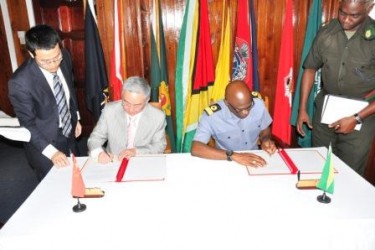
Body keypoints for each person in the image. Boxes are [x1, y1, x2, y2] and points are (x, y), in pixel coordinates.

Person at [296, 0, 375, 176]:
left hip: (362, 111)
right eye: (342, 13)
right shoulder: (327, 31)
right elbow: (310, 68)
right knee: (320, 163)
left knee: (349, 172)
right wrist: (302, 109)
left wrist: (356, 118)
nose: (346, 20)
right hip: (326, 108)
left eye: (354, 15)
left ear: (368, 9)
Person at [8, 24, 82, 181]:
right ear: (31, 54)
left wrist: (75, 116)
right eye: (46, 62)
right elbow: (27, 124)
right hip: (44, 142)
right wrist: (52, 152)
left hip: (69, 133)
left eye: (57, 58)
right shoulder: (20, 82)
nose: (54, 64)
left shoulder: (65, 56)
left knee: (76, 178)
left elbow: (70, 90)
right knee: (53, 188)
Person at [191, 80, 277, 167]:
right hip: (227, 160)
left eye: (249, 107)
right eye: (240, 109)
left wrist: (266, 140)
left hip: (255, 157)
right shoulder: (212, 116)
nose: (246, 112)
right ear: (227, 103)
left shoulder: (258, 104)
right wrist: (234, 156)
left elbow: (264, 130)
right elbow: (196, 148)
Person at [88, 76, 167, 163]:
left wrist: (136, 151)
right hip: (114, 162)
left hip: (142, 162)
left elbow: (159, 145)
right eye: (126, 102)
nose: (131, 109)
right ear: (122, 96)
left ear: (147, 100)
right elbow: (94, 139)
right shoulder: (110, 110)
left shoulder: (157, 116)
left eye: (137, 105)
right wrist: (99, 153)